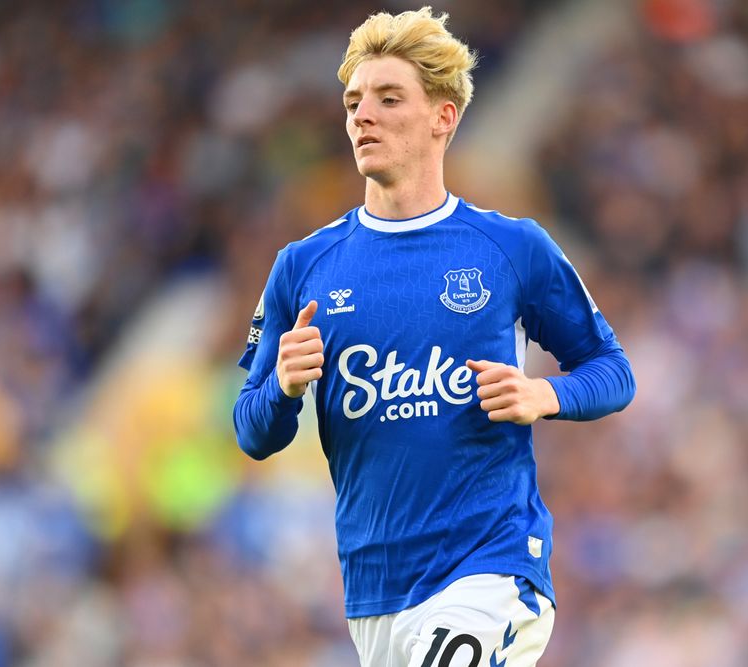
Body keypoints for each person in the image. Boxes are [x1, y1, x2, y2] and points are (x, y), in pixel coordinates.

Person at [232, 7, 635, 666]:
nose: (363, 115)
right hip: (375, 590)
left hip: (490, 568)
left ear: (441, 117)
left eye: (389, 99)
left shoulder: (509, 248)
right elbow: (252, 430)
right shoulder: (302, 266)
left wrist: (546, 395)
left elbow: (612, 369)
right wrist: (281, 385)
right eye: (354, 101)